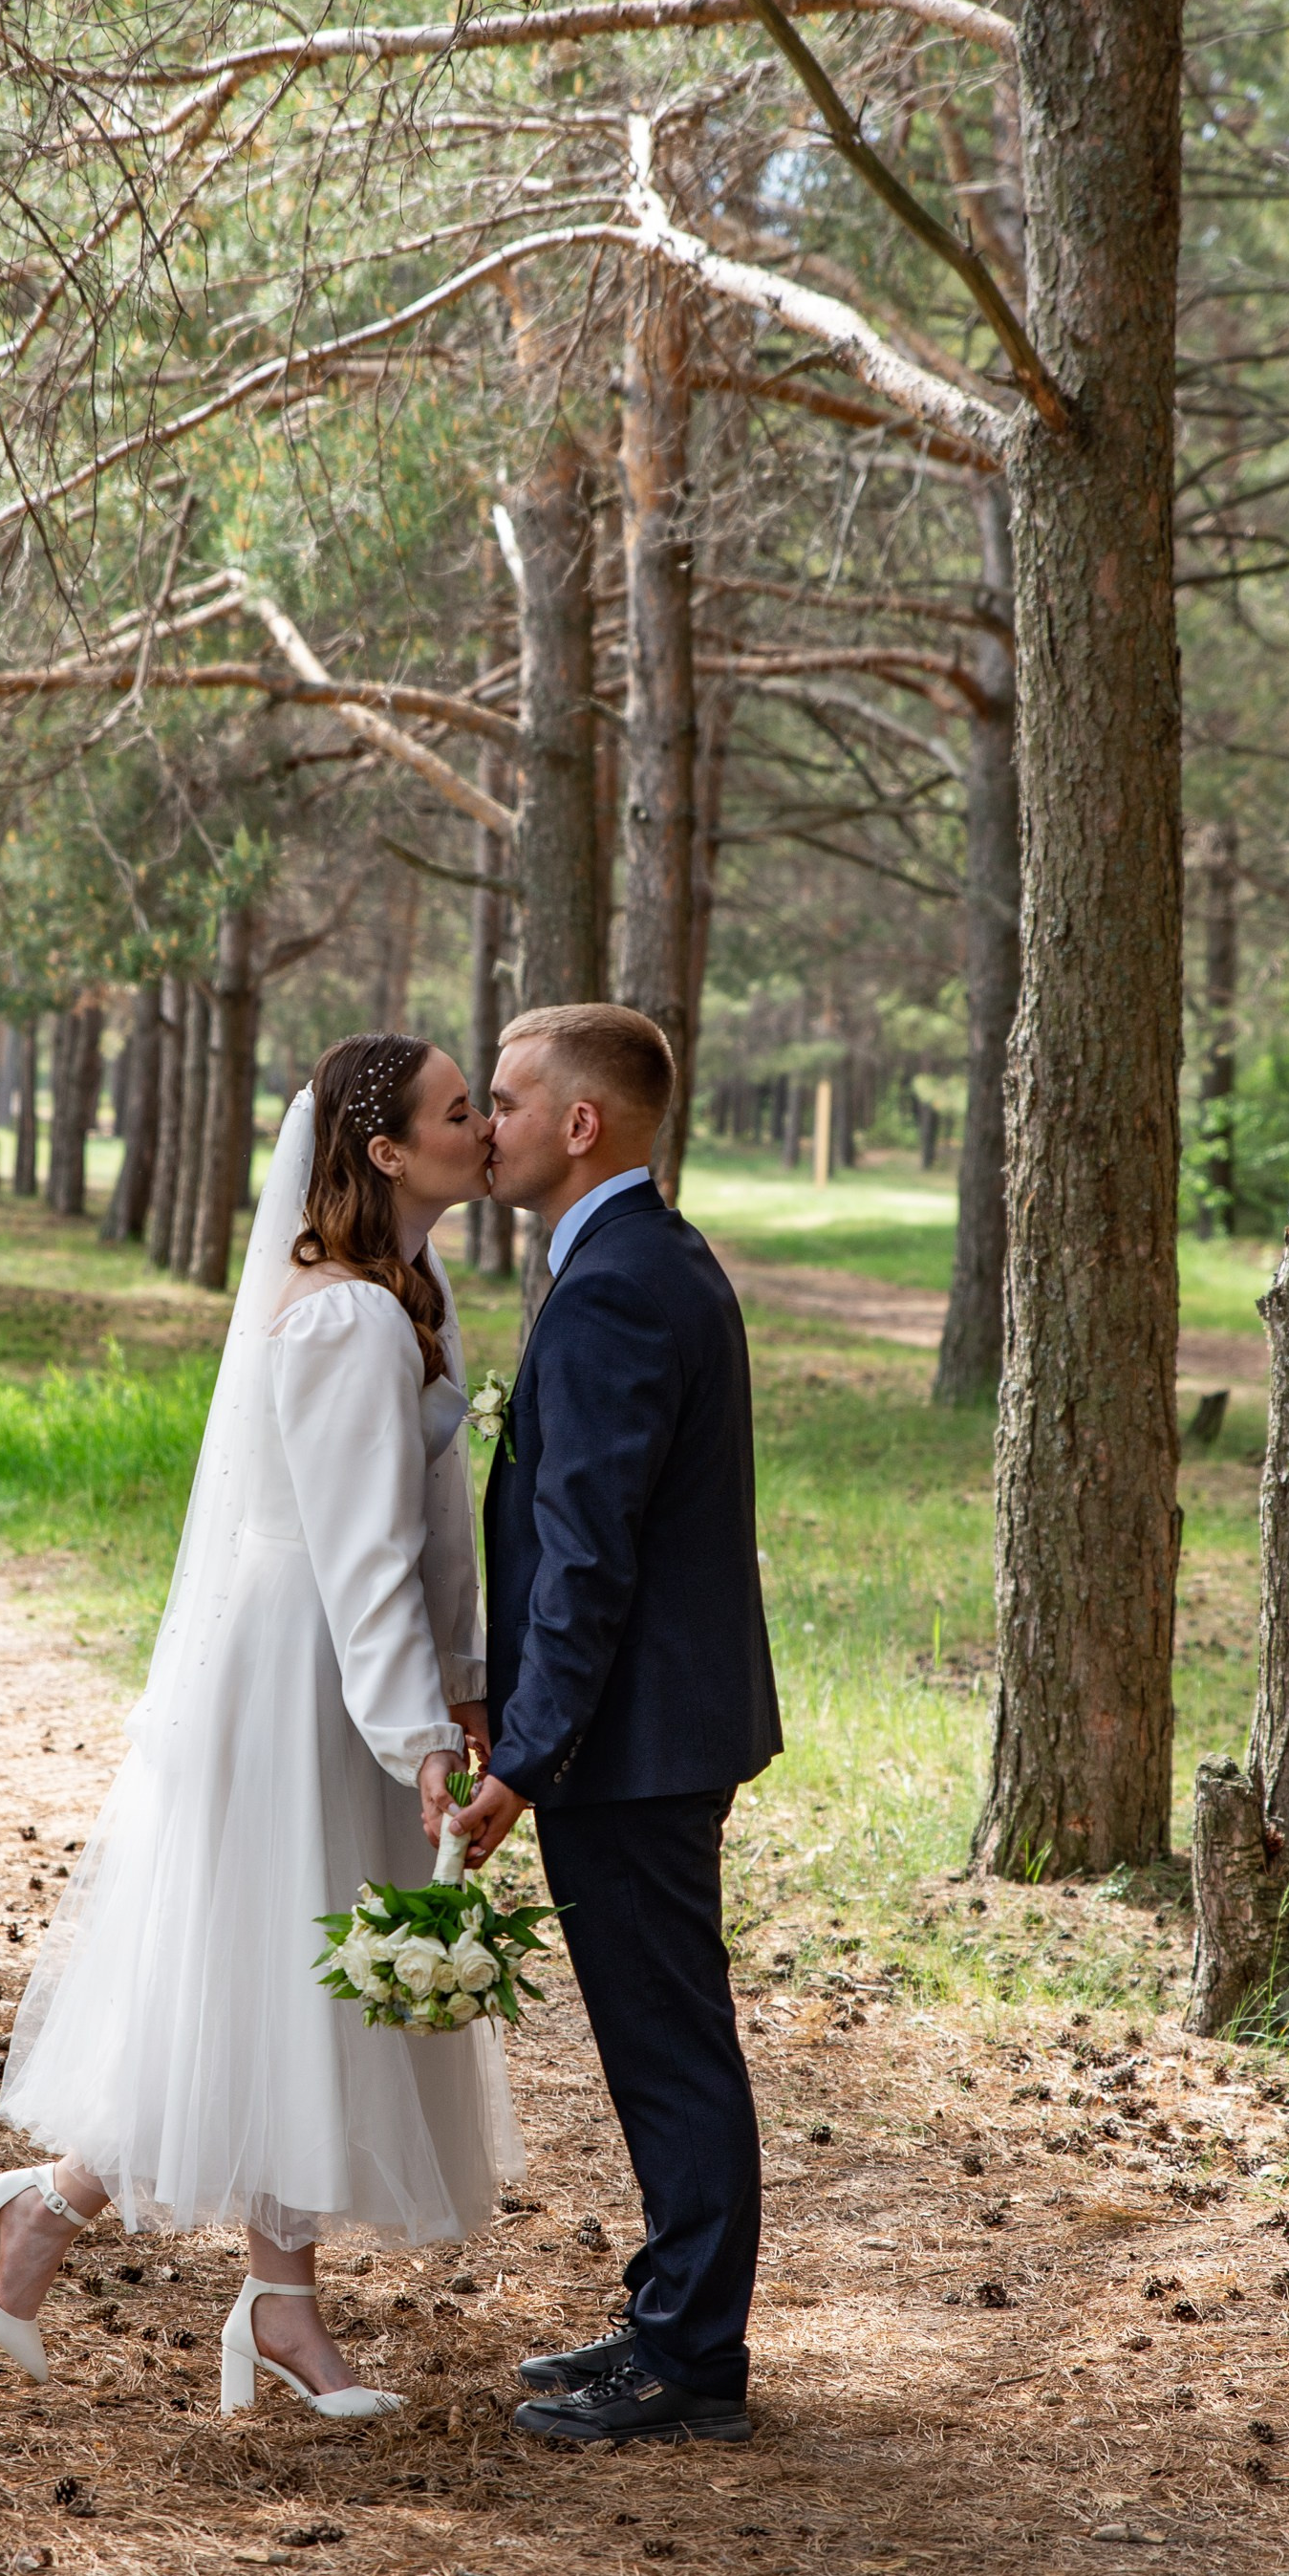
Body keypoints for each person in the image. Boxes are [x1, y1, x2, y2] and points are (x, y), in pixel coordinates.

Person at [0, 1034, 518, 2418]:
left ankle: (267, 2300)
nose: (484, 1126)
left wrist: (468, 1677)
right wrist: (416, 1738)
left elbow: (429, 1534)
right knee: (266, 1965)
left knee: (298, 1984)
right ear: (385, 1153)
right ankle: (66, 2213)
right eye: (455, 1111)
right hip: (298, 1669)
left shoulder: (410, 1289)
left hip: (357, 1665)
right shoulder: (344, 1318)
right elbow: (356, 1553)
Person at [451, 1003, 781, 2445]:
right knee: (663, 2038)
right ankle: (672, 2319)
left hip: (632, 1743)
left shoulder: (620, 1285)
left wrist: (526, 1755)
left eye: (509, 1102)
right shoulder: (639, 1257)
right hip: (646, 1731)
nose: (489, 1127)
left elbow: (591, 1552)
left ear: (580, 1123)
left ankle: (693, 2359)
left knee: (668, 2046)